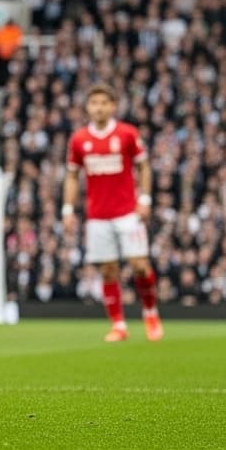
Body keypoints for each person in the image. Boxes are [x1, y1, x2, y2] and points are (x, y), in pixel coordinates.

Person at [62, 83, 162, 342]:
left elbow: (144, 167)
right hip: (97, 215)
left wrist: (145, 199)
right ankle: (118, 325)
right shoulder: (79, 139)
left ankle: (150, 312)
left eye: (104, 103)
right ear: (87, 107)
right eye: (94, 103)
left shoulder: (127, 134)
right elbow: (72, 176)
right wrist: (68, 209)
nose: (99, 107)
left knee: (139, 265)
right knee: (108, 270)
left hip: (128, 213)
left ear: (113, 106)